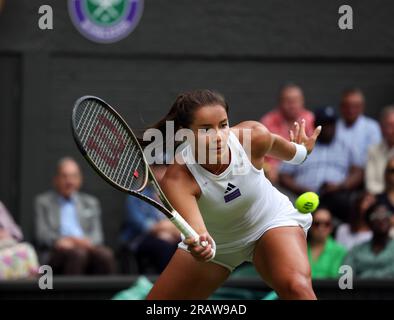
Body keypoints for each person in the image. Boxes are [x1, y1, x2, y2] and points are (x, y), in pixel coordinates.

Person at [145, 89, 321, 300]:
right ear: (185, 133)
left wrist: (304, 150)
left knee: (297, 288)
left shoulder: (254, 136)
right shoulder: (177, 179)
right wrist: (202, 246)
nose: (219, 136)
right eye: (206, 129)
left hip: (270, 221)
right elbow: (200, 232)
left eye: (223, 125)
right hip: (220, 244)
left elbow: (296, 154)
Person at [279, 105, 364, 221]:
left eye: (331, 124)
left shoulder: (347, 146)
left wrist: (340, 186)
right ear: (315, 126)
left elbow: (358, 172)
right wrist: (301, 189)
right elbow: (284, 175)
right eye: (324, 124)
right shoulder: (302, 145)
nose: (328, 128)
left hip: (336, 195)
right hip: (303, 196)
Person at [34, 157, 116, 275]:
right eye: (65, 176)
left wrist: (82, 242)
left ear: (80, 179)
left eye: (73, 176)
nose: (69, 181)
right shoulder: (43, 202)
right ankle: (71, 293)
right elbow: (42, 235)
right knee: (78, 254)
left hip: (85, 246)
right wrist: (59, 241)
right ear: (56, 179)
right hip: (57, 251)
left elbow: (98, 236)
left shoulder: (91, 202)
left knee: (106, 255)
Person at [120, 165, 180, 274]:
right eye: (157, 168)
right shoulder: (137, 195)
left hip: (172, 237)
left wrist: (170, 231)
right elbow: (141, 224)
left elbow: (184, 224)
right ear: (150, 171)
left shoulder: (176, 196)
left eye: (165, 168)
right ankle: (165, 282)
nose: (161, 172)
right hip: (141, 240)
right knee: (162, 245)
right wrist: (161, 230)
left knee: (184, 247)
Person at [260, 84, 315, 183]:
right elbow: (259, 152)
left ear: (302, 101)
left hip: (304, 169)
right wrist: (267, 168)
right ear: (280, 103)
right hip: (276, 175)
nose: (292, 105)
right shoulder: (268, 121)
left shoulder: (311, 119)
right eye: (287, 101)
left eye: (295, 101)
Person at [344, 202, 394, 278]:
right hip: (360, 289)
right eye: (376, 216)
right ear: (368, 222)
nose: (381, 219)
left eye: (386, 215)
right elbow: (344, 280)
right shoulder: (356, 251)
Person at [336, 88, 381, 165]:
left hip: (364, 171)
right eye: (347, 106)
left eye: (356, 106)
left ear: (362, 107)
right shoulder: (334, 126)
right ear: (341, 107)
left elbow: (375, 156)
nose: (351, 110)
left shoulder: (372, 127)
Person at [0, 201, 39, 279]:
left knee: (27, 248)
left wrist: (6, 234)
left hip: (7, 243)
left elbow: (16, 232)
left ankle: (30, 285)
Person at [307, 207, 347, 279]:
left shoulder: (340, 251)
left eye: (326, 224)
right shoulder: (300, 248)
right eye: (317, 224)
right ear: (310, 226)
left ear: (331, 227)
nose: (321, 228)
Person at [366, 106, 394, 195]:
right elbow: (370, 184)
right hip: (379, 199)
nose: (393, 130)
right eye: (389, 125)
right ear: (381, 128)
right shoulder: (373, 150)